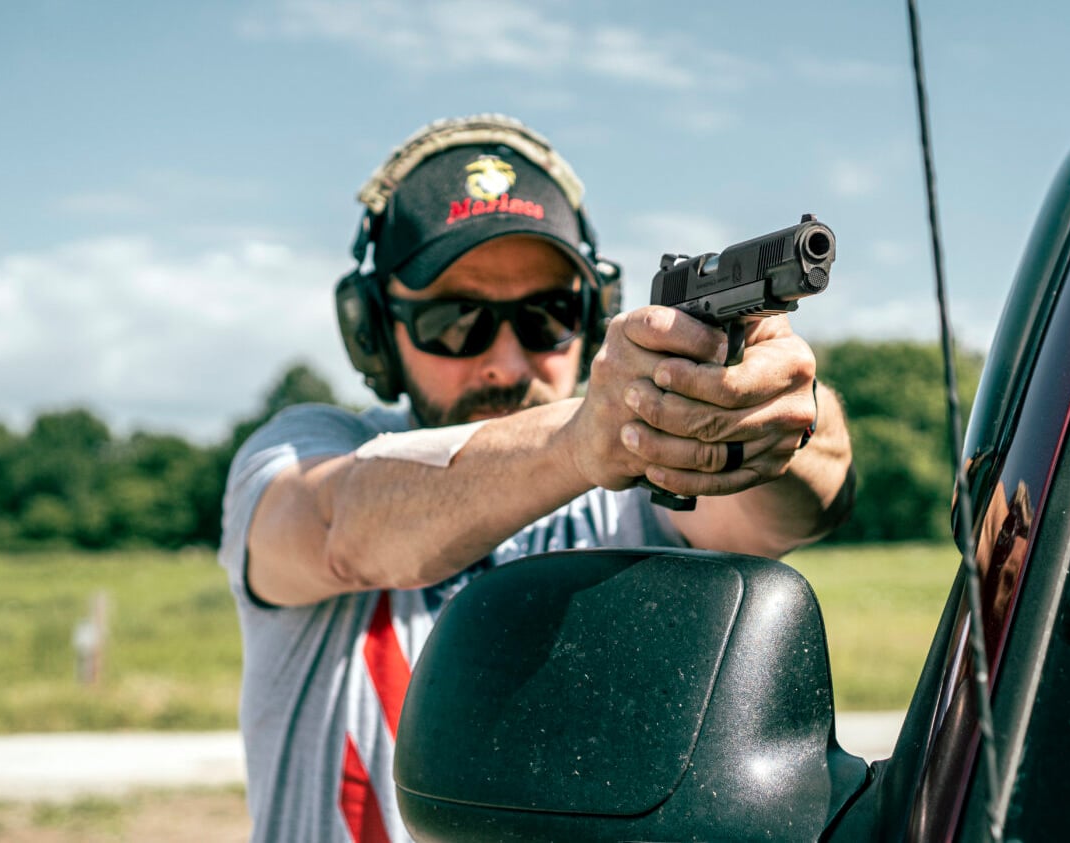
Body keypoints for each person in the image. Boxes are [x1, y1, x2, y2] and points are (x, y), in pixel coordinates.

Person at [217, 113, 856, 842]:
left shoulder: (639, 463)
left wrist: (775, 413)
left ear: (594, 315)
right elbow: (340, 525)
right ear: (374, 330)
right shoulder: (305, 448)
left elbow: (796, 510)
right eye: (458, 322)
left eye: (546, 315)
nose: (508, 361)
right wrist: (587, 438)